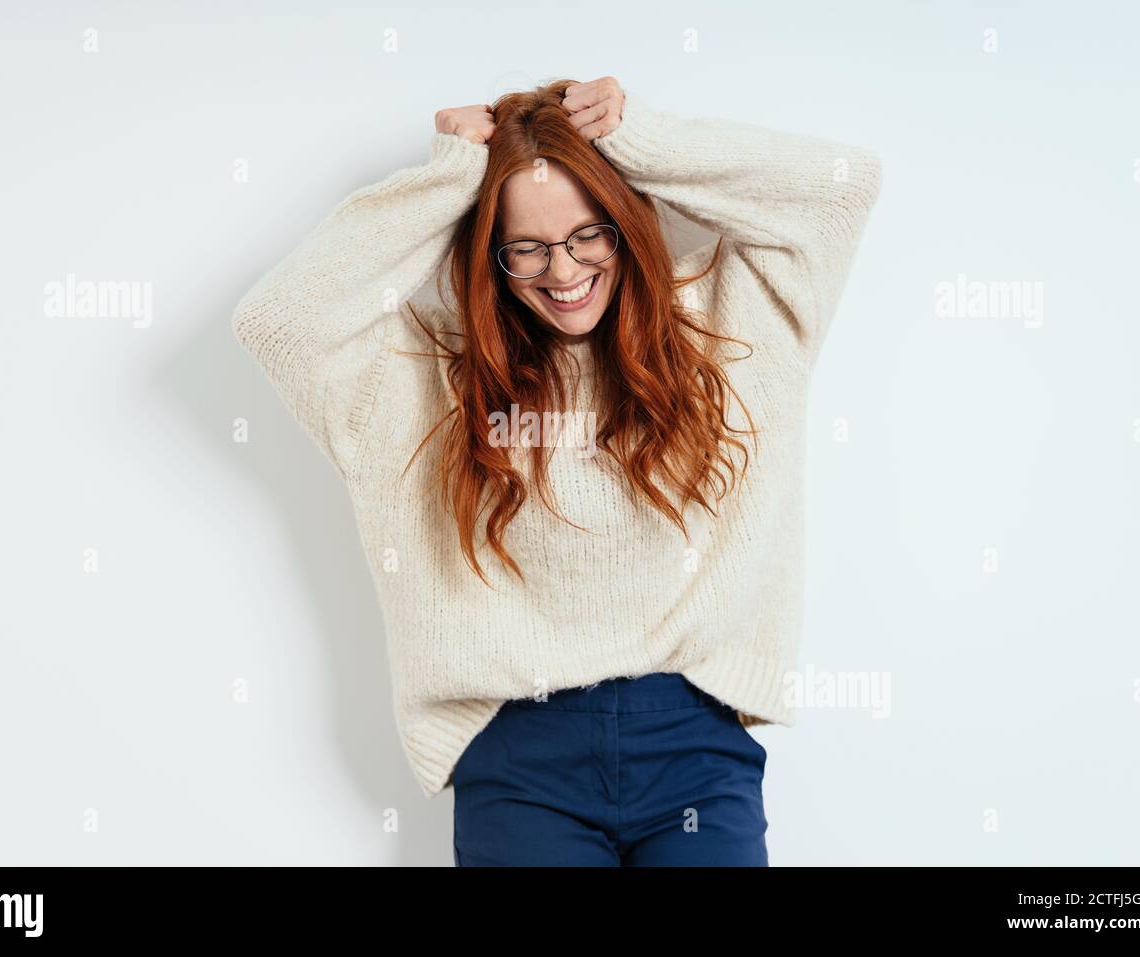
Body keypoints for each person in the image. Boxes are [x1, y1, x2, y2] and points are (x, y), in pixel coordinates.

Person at [232, 75, 882, 865]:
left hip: (695, 750)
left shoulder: (728, 323)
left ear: (626, 222)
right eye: (528, 246)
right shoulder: (431, 377)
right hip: (519, 762)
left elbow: (842, 190)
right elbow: (279, 321)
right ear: (492, 253)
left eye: (587, 235)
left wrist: (648, 139)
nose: (563, 270)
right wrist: (446, 179)